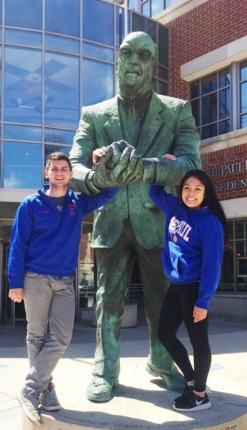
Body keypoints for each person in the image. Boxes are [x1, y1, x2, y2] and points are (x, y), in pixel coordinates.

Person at [69, 31, 202, 402]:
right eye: (127, 53)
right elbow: (73, 167)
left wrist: (147, 168)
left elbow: (192, 165)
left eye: (143, 55)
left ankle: (160, 362)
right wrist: (98, 178)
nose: (134, 61)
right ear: (117, 60)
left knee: (163, 300)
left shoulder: (176, 111)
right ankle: (105, 371)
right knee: (107, 301)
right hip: (110, 221)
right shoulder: (93, 115)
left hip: (157, 222)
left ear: (153, 65)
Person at [8, 152, 118, 424]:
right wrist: (15, 282)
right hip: (35, 278)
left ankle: (30, 389)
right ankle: (47, 391)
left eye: (64, 169)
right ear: (46, 172)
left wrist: (100, 165)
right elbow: (17, 244)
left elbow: (110, 191)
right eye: (54, 169)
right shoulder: (30, 204)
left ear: (70, 174)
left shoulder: (77, 203)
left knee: (61, 337)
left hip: (65, 281)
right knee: (36, 336)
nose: (59, 173)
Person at [149, 169, 226, 412]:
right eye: (186, 188)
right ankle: (192, 380)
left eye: (197, 189)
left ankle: (200, 395)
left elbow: (212, 265)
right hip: (177, 284)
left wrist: (204, 300)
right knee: (164, 334)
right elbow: (154, 191)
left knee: (199, 342)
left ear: (206, 193)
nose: (191, 194)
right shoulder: (174, 207)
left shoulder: (210, 222)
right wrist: (163, 164)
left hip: (195, 289)